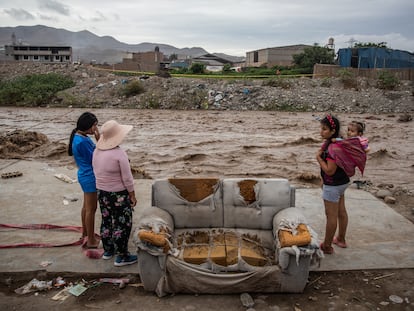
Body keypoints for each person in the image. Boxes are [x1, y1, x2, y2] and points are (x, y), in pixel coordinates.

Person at [92, 120, 138, 267]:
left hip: (102, 192)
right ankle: (122, 256)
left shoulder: (97, 151)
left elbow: (96, 170)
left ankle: (108, 251)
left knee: (106, 221)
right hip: (118, 194)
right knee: (122, 223)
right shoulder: (119, 154)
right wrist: (132, 195)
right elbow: (127, 178)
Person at [316, 115, 350, 254]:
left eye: (324, 129)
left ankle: (327, 246)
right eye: (321, 128)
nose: (321, 131)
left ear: (332, 131)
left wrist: (318, 158)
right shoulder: (340, 141)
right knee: (341, 212)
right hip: (343, 183)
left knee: (331, 216)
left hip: (333, 186)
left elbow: (330, 170)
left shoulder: (331, 148)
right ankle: (341, 239)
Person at [68, 112, 100, 249]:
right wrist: (100, 142)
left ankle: (85, 233)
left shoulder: (78, 137)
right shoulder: (83, 141)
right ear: (87, 126)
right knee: (91, 209)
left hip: (84, 174)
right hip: (90, 177)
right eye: (94, 126)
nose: (96, 129)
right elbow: (96, 158)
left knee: (86, 207)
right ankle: (91, 240)